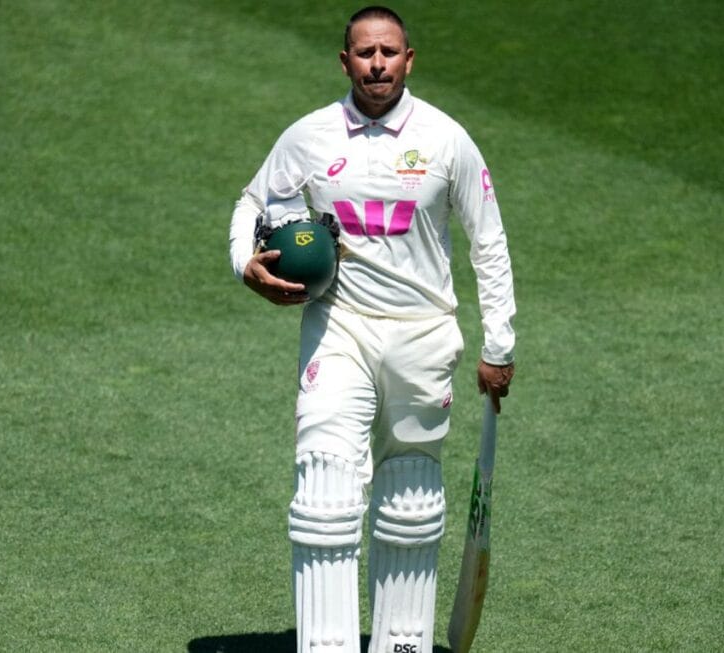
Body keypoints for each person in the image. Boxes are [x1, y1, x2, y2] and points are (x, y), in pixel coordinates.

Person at [227, 6, 515, 652]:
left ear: (409, 58)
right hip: (339, 328)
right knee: (324, 484)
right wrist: (245, 261)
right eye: (364, 53)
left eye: (389, 52)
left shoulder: (446, 139)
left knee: (410, 494)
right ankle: (325, 646)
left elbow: (488, 242)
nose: (377, 63)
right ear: (345, 61)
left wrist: (500, 344)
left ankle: (401, 643)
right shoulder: (309, 136)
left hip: (422, 334)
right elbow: (252, 203)